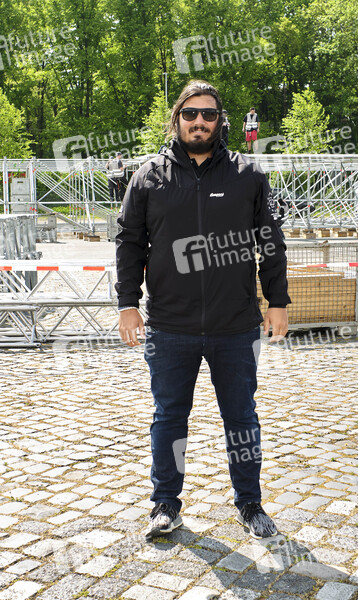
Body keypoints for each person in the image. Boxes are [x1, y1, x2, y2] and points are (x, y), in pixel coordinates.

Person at [116, 80, 291, 541]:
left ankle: (250, 503)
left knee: (242, 418)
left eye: (208, 114)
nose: (199, 122)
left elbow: (270, 242)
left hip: (236, 326)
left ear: (220, 121)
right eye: (190, 113)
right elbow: (129, 242)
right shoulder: (148, 177)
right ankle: (165, 504)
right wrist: (128, 303)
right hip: (169, 326)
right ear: (176, 118)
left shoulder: (248, 175)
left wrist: (277, 301)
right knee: (169, 418)